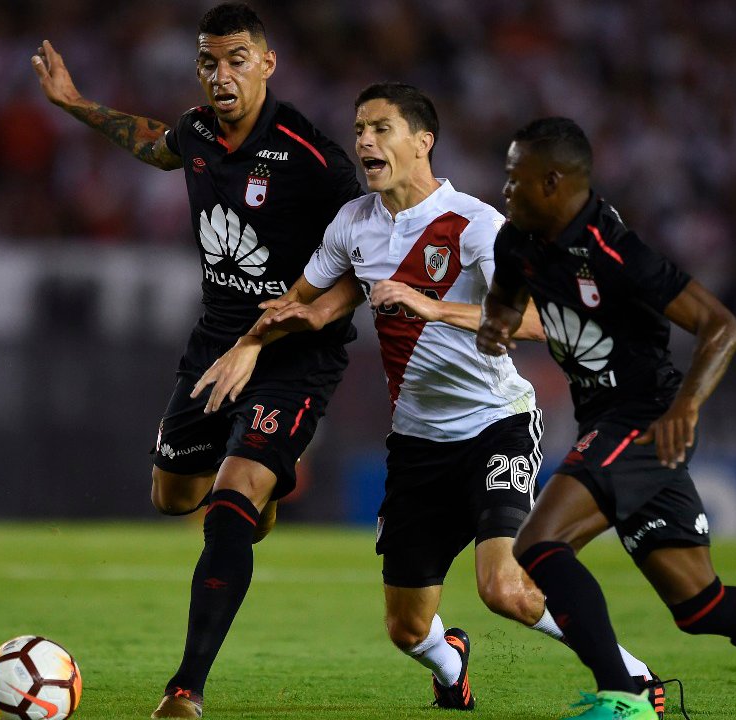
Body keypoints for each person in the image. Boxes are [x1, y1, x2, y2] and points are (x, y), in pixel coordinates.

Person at [193, 84, 665, 716]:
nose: (364, 141)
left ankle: (634, 677)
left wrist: (433, 307)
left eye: (380, 128)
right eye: (359, 129)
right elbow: (303, 301)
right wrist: (252, 343)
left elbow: (540, 320)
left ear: (423, 142)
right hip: (418, 444)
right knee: (408, 628)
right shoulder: (353, 224)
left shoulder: (475, 224)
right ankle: (452, 664)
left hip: (496, 425)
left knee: (504, 587)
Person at [476, 117, 736, 720]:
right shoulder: (517, 241)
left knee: (540, 542)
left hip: (647, 417)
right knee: (701, 605)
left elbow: (721, 325)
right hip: (608, 421)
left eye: (515, 178)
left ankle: (624, 696)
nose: (505, 190)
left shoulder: (615, 251)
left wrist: (686, 406)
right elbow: (504, 300)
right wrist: (496, 324)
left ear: (552, 182)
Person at [32, 4, 364, 718]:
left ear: (267, 64)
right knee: (172, 496)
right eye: (209, 62)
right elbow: (155, 145)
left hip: (295, 355)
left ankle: (185, 689)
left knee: (227, 506)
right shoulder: (197, 131)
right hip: (215, 344)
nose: (221, 75)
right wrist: (74, 102)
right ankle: (254, 497)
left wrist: (301, 319)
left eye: (237, 60)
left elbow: (365, 264)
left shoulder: (313, 158)